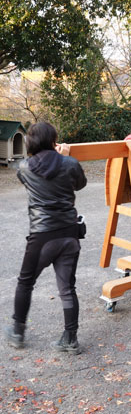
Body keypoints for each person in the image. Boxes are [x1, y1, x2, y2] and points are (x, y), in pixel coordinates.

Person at [4, 122, 87, 354]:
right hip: (70, 234)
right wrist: (66, 157)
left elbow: (32, 177)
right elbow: (80, 184)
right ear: (54, 140)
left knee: (25, 282)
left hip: (42, 237)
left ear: (30, 142)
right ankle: (70, 338)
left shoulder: (24, 167)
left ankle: (18, 332)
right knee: (67, 288)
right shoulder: (69, 163)